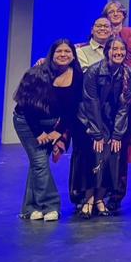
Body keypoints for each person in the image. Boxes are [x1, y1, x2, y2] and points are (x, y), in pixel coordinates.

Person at [13, 39, 83, 221]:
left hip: (52, 124)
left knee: (38, 165)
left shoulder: (76, 74)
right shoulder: (39, 72)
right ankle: (51, 204)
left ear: (73, 55)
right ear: (52, 54)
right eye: (59, 51)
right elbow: (27, 107)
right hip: (27, 122)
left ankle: (29, 208)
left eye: (67, 51)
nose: (63, 55)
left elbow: (72, 107)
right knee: (39, 162)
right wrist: (39, 133)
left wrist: (58, 131)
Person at [74, 36, 131, 217]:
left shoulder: (128, 72)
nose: (118, 53)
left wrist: (117, 134)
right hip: (91, 121)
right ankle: (88, 198)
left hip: (112, 121)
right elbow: (90, 103)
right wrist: (97, 134)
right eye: (114, 49)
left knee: (111, 157)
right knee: (95, 155)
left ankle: (100, 198)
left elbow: (125, 106)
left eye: (122, 50)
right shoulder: (93, 72)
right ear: (107, 51)